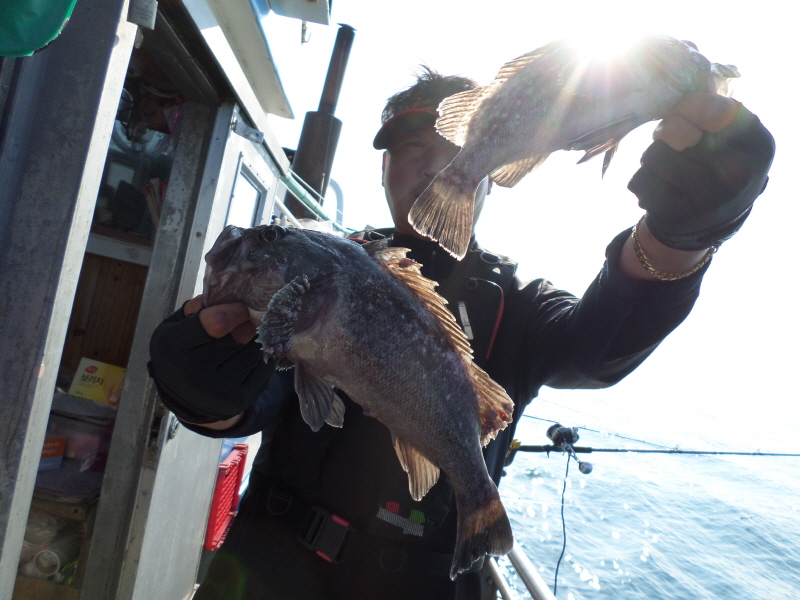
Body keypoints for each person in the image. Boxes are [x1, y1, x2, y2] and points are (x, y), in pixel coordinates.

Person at [148, 68, 774, 599]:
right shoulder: (318, 266)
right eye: (407, 149)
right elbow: (252, 402)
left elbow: (599, 347)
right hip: (269, 565)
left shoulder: (519, 303)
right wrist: (196, 383)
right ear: (384, 169)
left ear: (490, 165)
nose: (427, 165)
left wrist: (680, 238)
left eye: (450, 145)